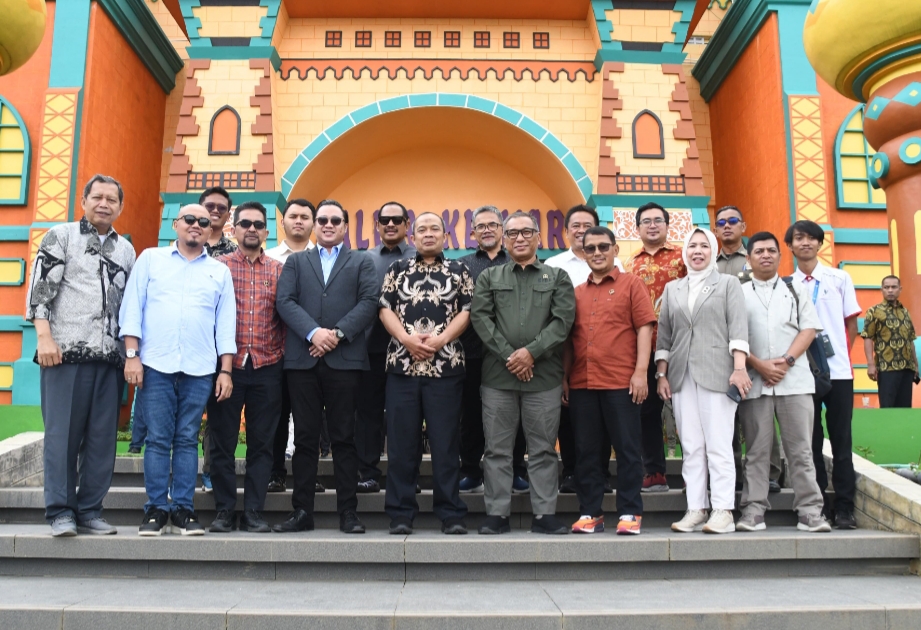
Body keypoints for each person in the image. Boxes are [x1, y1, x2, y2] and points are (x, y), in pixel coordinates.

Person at [25, 174, 136, 537]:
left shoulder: (126, 249)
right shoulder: (62, 236)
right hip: (64, 354)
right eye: (97, 197)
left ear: (120, 206)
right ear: (84, 200)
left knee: (102, 440)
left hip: (110, 359)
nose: (104, 204)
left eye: (112, 199)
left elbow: (130, 305)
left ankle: (90, 510)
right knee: (62, 437)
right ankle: (61, 512)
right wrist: (44, 337)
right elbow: (41, 289)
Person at [120, 203, 236, 536]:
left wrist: (225, 371)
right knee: (157, 439)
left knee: (186, 439)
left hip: (200, 368)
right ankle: (156, 510)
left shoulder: (218, 272)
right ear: (176, 224)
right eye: (190, 219)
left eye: (203, 221)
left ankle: (183, 509)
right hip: (155, 365)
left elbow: (225, 324)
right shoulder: (150, 259)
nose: (196, 225)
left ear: (210, 229)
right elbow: (132, 309)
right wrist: (132, 356)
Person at [274, 199, 378, 534]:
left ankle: (348, 512)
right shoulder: (296, 262)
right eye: (323, 220)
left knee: (344, 438)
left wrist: (337, 334)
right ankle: (302, 511)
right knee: (305, 438)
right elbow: (285, 301)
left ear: (345, 226)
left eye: (335, 220)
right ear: (315, 225)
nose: (328, 225)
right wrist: (313, 332)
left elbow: (369, 302)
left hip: (344, 362)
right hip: (303, 362)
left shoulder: (361, 261)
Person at [471, 211, 576, 535]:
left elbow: (562, 322)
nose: (519, 238)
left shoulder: (557, 277)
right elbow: (481, 318)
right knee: (497, 449)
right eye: (512, 233)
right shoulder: (489, 278)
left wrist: (531, 353)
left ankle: (544, 515)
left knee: (543, 449)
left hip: (543, 379)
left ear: (538, 238)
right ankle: (497, 514)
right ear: (504, 239)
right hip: (498, 378)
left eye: (526, 232)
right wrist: (511, 355)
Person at [379, 212, 473, 535]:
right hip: (402, 367)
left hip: (446, 367)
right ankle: (401, 513)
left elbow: (467, 310)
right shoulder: (397, 269)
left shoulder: (459, 270)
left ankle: (451, 513)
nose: (428, 234)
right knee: (401, 445)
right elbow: (384, 308)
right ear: (413, 236)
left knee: (445, 444)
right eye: (422, 229)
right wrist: (406, 339)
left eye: (435, 229)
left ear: (446, 236)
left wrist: (440, 340)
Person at [656, 228, 750, 535]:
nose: (698, 251)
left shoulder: (728, 283)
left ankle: (723, 510)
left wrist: (739, 368)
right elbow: (665, 335)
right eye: (692, 246)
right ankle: (696, 508)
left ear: (713, 250)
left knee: (719, 445)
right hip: (681, 376)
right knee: (691, 446)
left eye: (704, 246)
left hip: (718, 373)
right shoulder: (673, 288)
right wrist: (661, 374)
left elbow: (738, 328)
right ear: (685, 252)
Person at [737, 231, 830, 533]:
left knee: (801, 451)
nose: (765, 255)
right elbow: (733, 336)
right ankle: (753, 510)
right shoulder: (738, 292)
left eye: (771, 251)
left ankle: (810, 512)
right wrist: (759, 364)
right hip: (755, 382)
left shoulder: (796, 288)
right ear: (748, 258)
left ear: (780, 255)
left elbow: (809, 329)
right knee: (757, 452)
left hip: (795, 381)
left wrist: (787, 361)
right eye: (759, 251)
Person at [565, 227, 656, 535]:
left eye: (603, 246)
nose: (597, 253)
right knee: (586, 452)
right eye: (590, 248)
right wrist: (565, 378)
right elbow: (570, 340)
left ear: (615, 250)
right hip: (582, 383)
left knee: (627, 449)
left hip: (622, 382)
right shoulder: (577, 292)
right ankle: (590, 512)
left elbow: (645, 328)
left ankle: (630, 511)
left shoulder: (632, 284)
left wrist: (641, 372)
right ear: (583, 254)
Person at [208, 202, 285, 533]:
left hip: (268, 367)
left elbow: (287, 316)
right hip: (227, 368)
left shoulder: (280, 271)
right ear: (234, 229)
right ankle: (225, 510)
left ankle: (253, 510)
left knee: (262, 444)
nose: (252, 229)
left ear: (266, 232)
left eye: (258, 224)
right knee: (222, 442)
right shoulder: (218, 268)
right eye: (245, 224)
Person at [787, 220, 860, 529]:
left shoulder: (839, 278)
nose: (805, 243)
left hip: (839, 372)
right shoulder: (786, 284)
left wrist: (835, 358)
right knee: (810, 443)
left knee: (842, 442)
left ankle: (845, 508)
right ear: (790, 246)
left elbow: (851, 325)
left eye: (811, 238)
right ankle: (818, 506)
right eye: (798, 238)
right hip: (803, 374)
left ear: (820, 243)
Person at [545, 204, 617, 494]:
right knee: (568, 414)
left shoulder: (613, 264)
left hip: (604, 353)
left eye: (587, 225)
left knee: (601, 416)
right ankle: (571, 472)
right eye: (575, 225)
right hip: (563, 349)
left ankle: (600, 472)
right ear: (566, 232)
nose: (581, 230)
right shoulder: (553, 265)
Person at [458, 206, 529, 495]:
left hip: (512, 354)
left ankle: (516, 471)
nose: (487, 230)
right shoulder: (461, 265)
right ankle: (470, 471)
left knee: (514, 416)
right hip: (471, 353)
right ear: (472, 233)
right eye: (481, 226)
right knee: (471, 415)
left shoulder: (517, 260)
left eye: (492, 224)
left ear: (502, 229)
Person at [714, 205, 783, 493]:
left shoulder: (756, 257)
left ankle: (770, 473)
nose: (727, 226)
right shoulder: (709, 263)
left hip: (757, 352)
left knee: (760, 418)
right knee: (724, 419)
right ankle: (729, 475)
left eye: (733, 221)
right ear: (715, 230)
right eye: (721, 223)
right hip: (720, 353)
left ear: (743, 226)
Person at [355, 201, 416, 494]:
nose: (390, 224)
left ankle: (405, 477)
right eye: (384, 219)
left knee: (404, 417)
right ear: (377, 225)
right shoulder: (363, 258)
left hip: (410, 352)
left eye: (396, 219)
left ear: (407, 224)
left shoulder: (421, 257)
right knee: (368, 415)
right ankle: (368, 473)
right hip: (369, 351)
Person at [626, 202, 687, 493]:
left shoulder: (684, 257)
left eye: (658, 220)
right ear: (637, 228)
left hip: (681, 346)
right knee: (646, 412)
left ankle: (696, 474)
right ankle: (654, 472)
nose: (652, 225)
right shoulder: (629, 264)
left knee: (688, 411)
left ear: (667, 225)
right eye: (646, 221)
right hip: (644, 350)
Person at [265, 199, 323, 494]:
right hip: (274, 351)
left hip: (312, 352)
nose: (299, 221)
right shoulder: (268, 257)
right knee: (276, 415)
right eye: (293, 216)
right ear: (283, 222)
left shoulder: (325, 259)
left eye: (305, 216)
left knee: (307, 420)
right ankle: (275, 472)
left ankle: (307, 475)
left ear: (313, 223)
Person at [862, 275, 918, 408]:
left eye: (894, 287)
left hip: (907, 368)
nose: (890, 290)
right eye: (887, 287)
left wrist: (915, 365)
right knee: (887, 408)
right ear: (881, 290)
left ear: (900, 289)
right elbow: (868, 337)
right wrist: (870, 364)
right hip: (886, 368)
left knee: (905, 409)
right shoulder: (874, 311)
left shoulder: (905, 312)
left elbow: (910, 340)